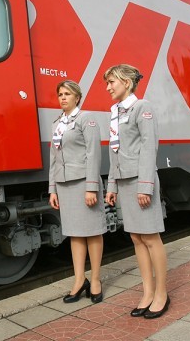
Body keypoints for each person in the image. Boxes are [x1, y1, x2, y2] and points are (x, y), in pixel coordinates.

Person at [103, 64, 169, 319]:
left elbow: (149, 147)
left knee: (151, 238)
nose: (108, 87)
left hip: (141, 181)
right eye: (107, 83)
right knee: (136, 239)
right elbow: (114, 151)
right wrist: (111, 186)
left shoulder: (142, 107)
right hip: (123, 182)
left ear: (127, 83)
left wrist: (145, 186)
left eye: (112, 82)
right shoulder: (115, 113)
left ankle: (161, 293)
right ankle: (148, 292)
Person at [48, 80, 106, 304]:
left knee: (92, 231)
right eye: (60, 94)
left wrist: (92, 186)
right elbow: (54, 159)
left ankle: (97, 279)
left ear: (77, 98)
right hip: (64, 186)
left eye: (67, 94)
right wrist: (52, 188)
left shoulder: (86, 119)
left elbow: (94, 154)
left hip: (83, 183)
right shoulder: (57, 124)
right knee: (75, 233)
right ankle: (79, 280)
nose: (63, 97)